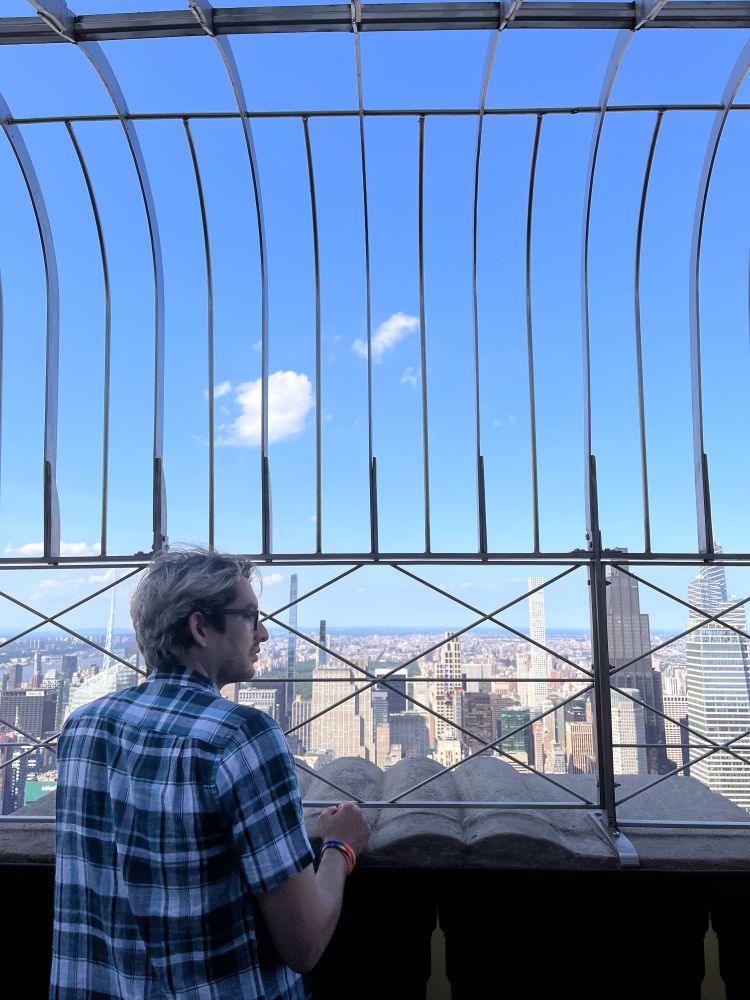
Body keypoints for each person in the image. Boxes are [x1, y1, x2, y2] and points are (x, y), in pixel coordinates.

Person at [50, 548, 371, 1000]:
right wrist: (341, 847)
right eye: (250, 616)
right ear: (200, 627)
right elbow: (304, 941)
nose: (262, 632)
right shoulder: (240, 737)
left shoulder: (82, 726)